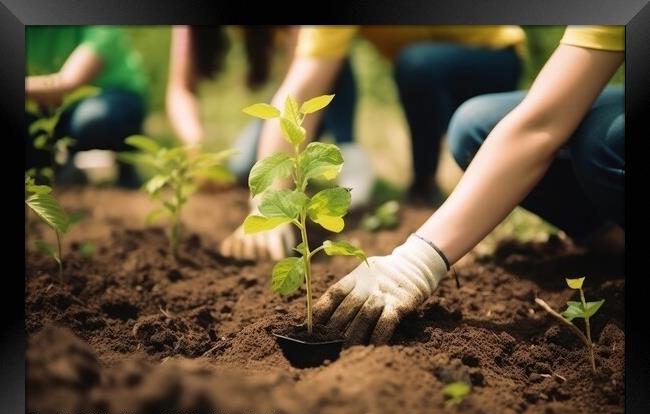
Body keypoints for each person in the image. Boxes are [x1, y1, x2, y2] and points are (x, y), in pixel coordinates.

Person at [311, 26, 624, 346]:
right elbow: (544, 118)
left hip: (496, 57)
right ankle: (612, 239)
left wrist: (416, 263)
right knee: (475, 127)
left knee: (605, 145)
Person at [220, 25, 527, 261]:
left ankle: (425, 187)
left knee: (416, 63)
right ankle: (422, 190)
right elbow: (297, 94)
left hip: (494, 57)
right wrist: (268, 204)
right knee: (398, 63)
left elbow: (296, 97)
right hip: (428, 64)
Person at [165, 26, 361, 183]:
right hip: (290, 89)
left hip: (311, 78)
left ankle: (349, 149)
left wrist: (273, 198)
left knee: (327, 58)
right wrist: (195, 146)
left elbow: (297, 91)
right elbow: (179, 89)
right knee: (244, 168)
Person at [26, 26, 148, 188]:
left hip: (110, 99)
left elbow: (67, 84)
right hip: (46, 110)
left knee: (92, 121)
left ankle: (118, 163)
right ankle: (57, 166)